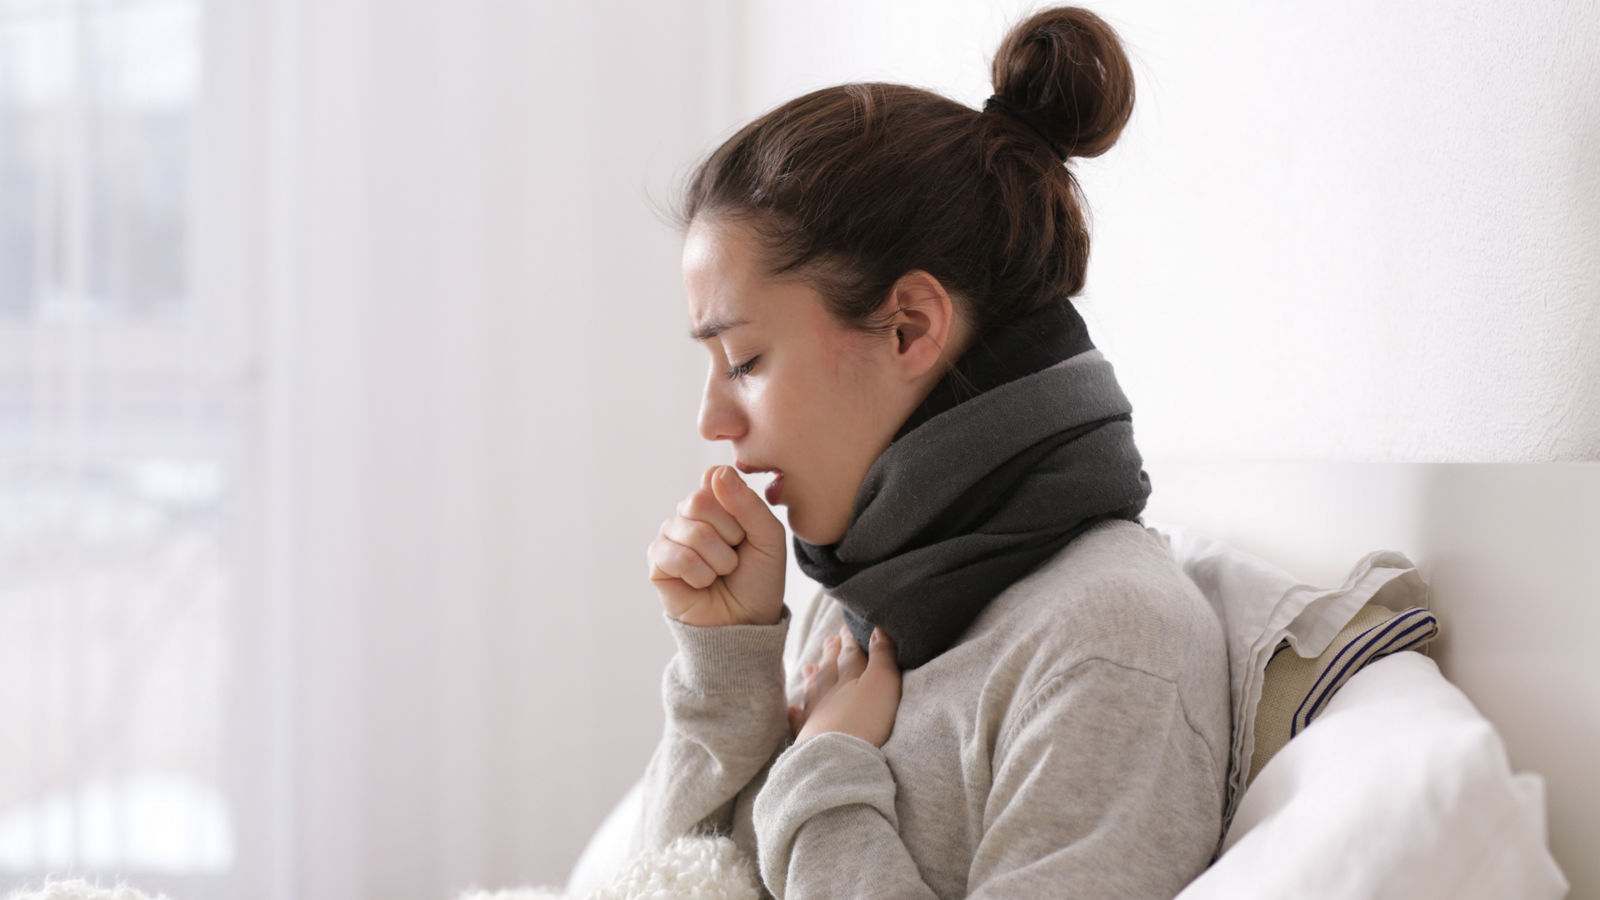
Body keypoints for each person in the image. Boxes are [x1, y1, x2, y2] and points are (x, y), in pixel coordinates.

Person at [638, 6, 1230, 898]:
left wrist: (827, 771)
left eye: (745, 361)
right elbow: (667, 883)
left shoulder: (1108, 643)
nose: (712, 420)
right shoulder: (846, 615)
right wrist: (727, 664)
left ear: (909, 327)